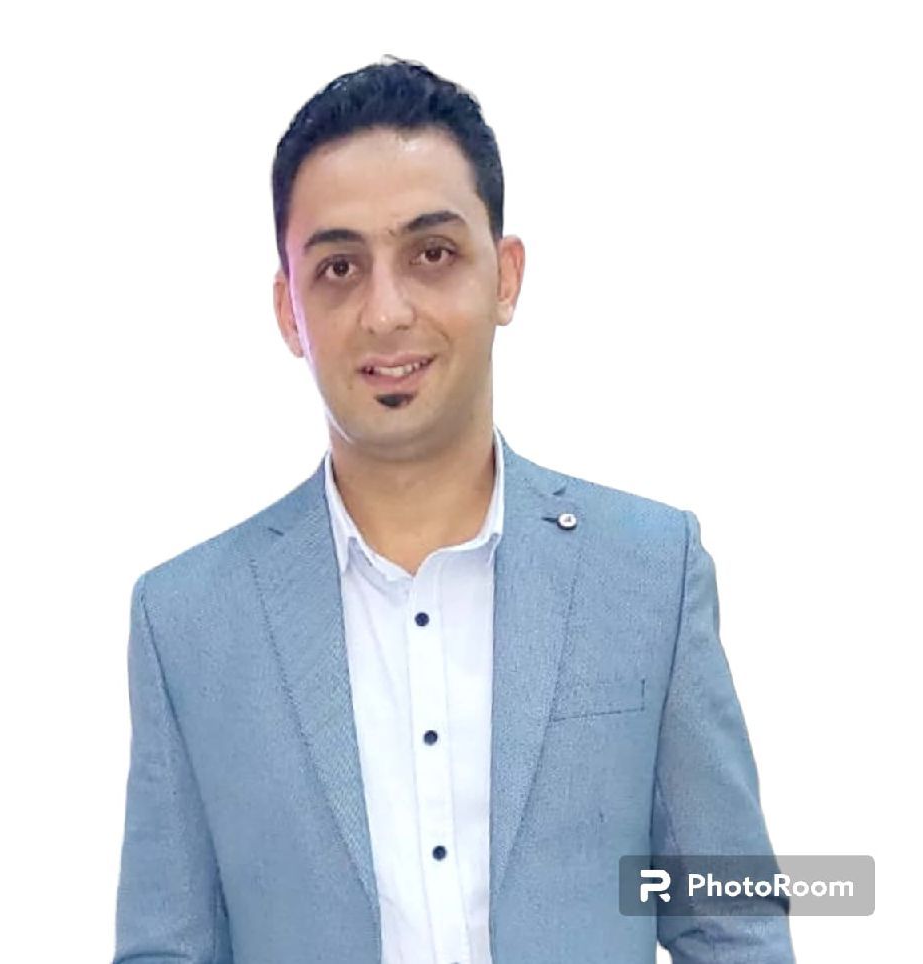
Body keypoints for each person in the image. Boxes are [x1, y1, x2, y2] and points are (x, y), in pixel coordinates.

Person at [111, 57, 795, 964]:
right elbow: (165, 948)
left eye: (431, 255)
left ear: (505, 277)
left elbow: (733, 922)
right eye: (339, 267)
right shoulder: (190, 622)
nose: (386, 312)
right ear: (289, 310)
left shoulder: (648, 574)